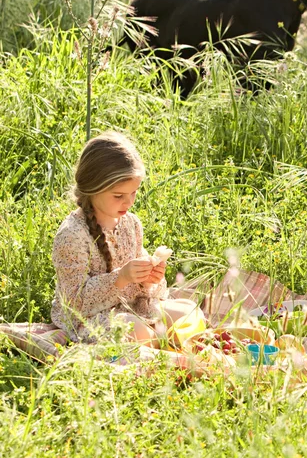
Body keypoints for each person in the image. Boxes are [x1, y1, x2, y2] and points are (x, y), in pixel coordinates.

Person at [51, 131, 198, 348]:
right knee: (138, 332)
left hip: (131, 306)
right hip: (88, 318)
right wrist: (120, 278)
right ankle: (164, 345)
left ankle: (166, 343)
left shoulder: (131, 224)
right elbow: (73, 301)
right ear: (93, 189)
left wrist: (150, 279)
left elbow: (144, 286)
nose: (128, 202)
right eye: (119, 196)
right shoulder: (72, 235)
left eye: (134, 192)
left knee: (189, 312)